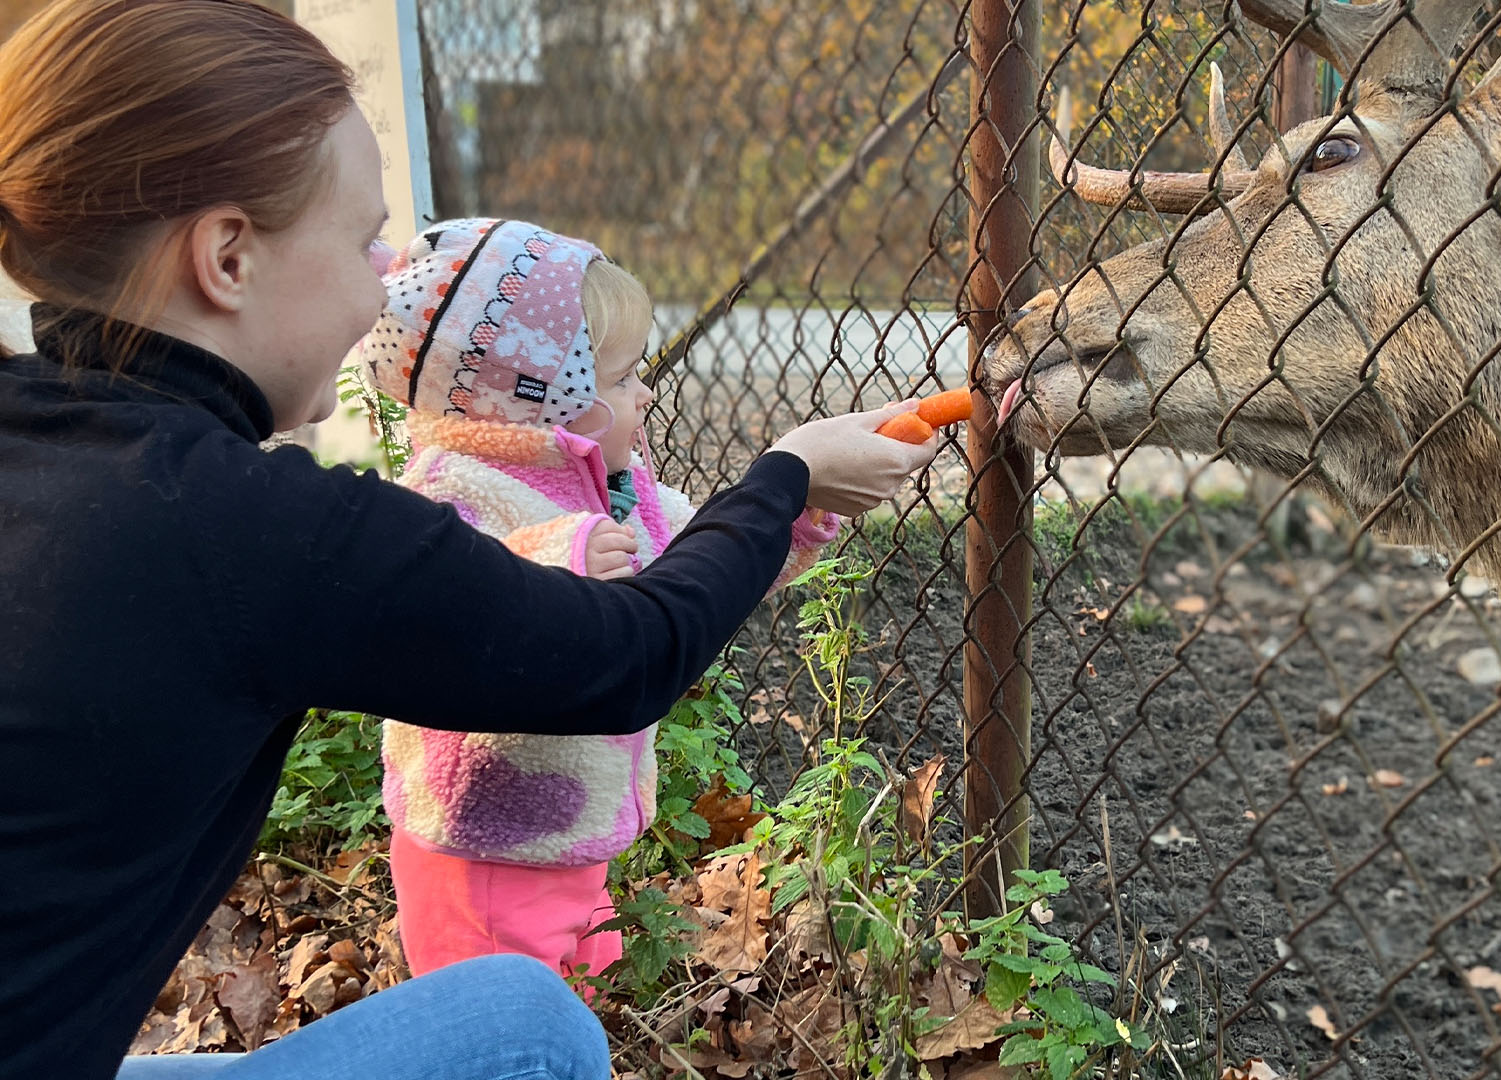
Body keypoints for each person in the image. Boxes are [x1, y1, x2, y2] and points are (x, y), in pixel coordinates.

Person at [0, 2, 940, 1078]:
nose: (380, 289)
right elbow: (621, 658)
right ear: (226, 256)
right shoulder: (242, 527)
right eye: (363, 242)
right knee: (525, 1025)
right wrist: (785, 480)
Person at [357, 218, 840, 983]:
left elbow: (705, 567)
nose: (644, 392)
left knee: (565, 1002)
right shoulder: (454, 486)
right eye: (618, 379)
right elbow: (458, 600)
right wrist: (559, 559)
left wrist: (789, 522)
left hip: (570, 833)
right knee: (494, 1031)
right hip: (481, 849)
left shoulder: (623, 489)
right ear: (533, 396)